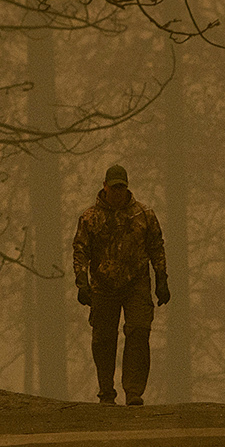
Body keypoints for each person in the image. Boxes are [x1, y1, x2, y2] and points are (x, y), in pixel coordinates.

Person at [72, 163, 168, 405]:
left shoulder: (144, 215)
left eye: (121, 188)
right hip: (103, 286)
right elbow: (80, 250)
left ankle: (134, 390)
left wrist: (162, 279)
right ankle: (106, 390)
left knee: (138, 332)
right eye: (114, 188)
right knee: (103, 339)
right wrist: (81, 282)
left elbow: (157, 247)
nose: (117, 192)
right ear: (104, 187)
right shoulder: (90, 218)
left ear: (127, 188)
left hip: (136, 283)